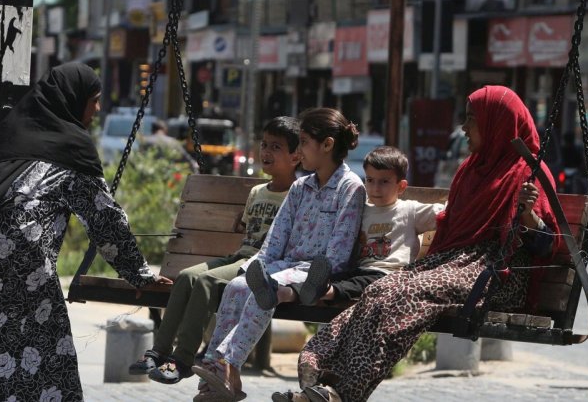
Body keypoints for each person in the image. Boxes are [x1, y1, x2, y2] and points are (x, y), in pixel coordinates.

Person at [0, 62, 171, 402]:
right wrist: (140, 274)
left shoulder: (11, 136)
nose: (98, 109)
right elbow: (105, 220)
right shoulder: (73, 148)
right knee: (44, 360)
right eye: (95, 100)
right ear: (74, 100)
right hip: (22, 269)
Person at [282, 86, 563, 402]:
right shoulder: (471, 171)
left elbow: (545, 247)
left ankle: (342, 393)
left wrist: (529, 220)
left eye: (472, 120)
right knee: (380, 290)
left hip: (496, 275)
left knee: (407, 293)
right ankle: (319, 375)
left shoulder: (527, 174)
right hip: (452, 265)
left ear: (497, 125)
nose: (463, 128)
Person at [193, 108, 366, 402]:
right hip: (283, 266)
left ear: (327, 145)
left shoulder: (350, 188)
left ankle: (225, 366)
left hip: (314, 273)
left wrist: (273, 274)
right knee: (237, 286)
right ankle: (221, 373)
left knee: (268, 291)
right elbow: (275, 240)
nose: (298, 151)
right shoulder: (300, 187)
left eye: (303, 142)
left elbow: (337, 256)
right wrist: (252, 267)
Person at [132, 116, 302, 385]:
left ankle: (183, 359)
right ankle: (160, 350)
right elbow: (246, 226)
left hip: (262, 263)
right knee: (187, 276)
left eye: (276, 147)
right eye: (265, 144)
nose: (266, 152)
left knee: (206, 281)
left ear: (296, 156)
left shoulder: (299, 193)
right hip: (240, 256)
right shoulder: (258, 191)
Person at [290, 146, 443, 308]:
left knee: (364, 283)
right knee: (337, 276)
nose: (376, 188)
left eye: (384, 182)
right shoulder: (359, 209)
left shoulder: (410, 211)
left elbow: (446, 212)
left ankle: (326, 292)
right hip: (359, 269)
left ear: (401, 187)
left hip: (390, 274)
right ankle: (286, 292)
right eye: (370, 180)